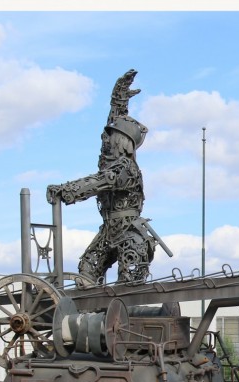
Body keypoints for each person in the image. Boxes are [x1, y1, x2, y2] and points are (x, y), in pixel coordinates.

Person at [47, 69, 166, 284]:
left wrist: (66, 191)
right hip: (108, 232)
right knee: (87, 269)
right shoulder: (110, 161)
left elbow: (100, 182)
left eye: (110, 139)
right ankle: (91, 316)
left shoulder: (125, 169)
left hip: (129, 234)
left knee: (127, 283)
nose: (105, 141)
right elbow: (115, 124)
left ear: (121, 141)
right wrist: (118, 99)